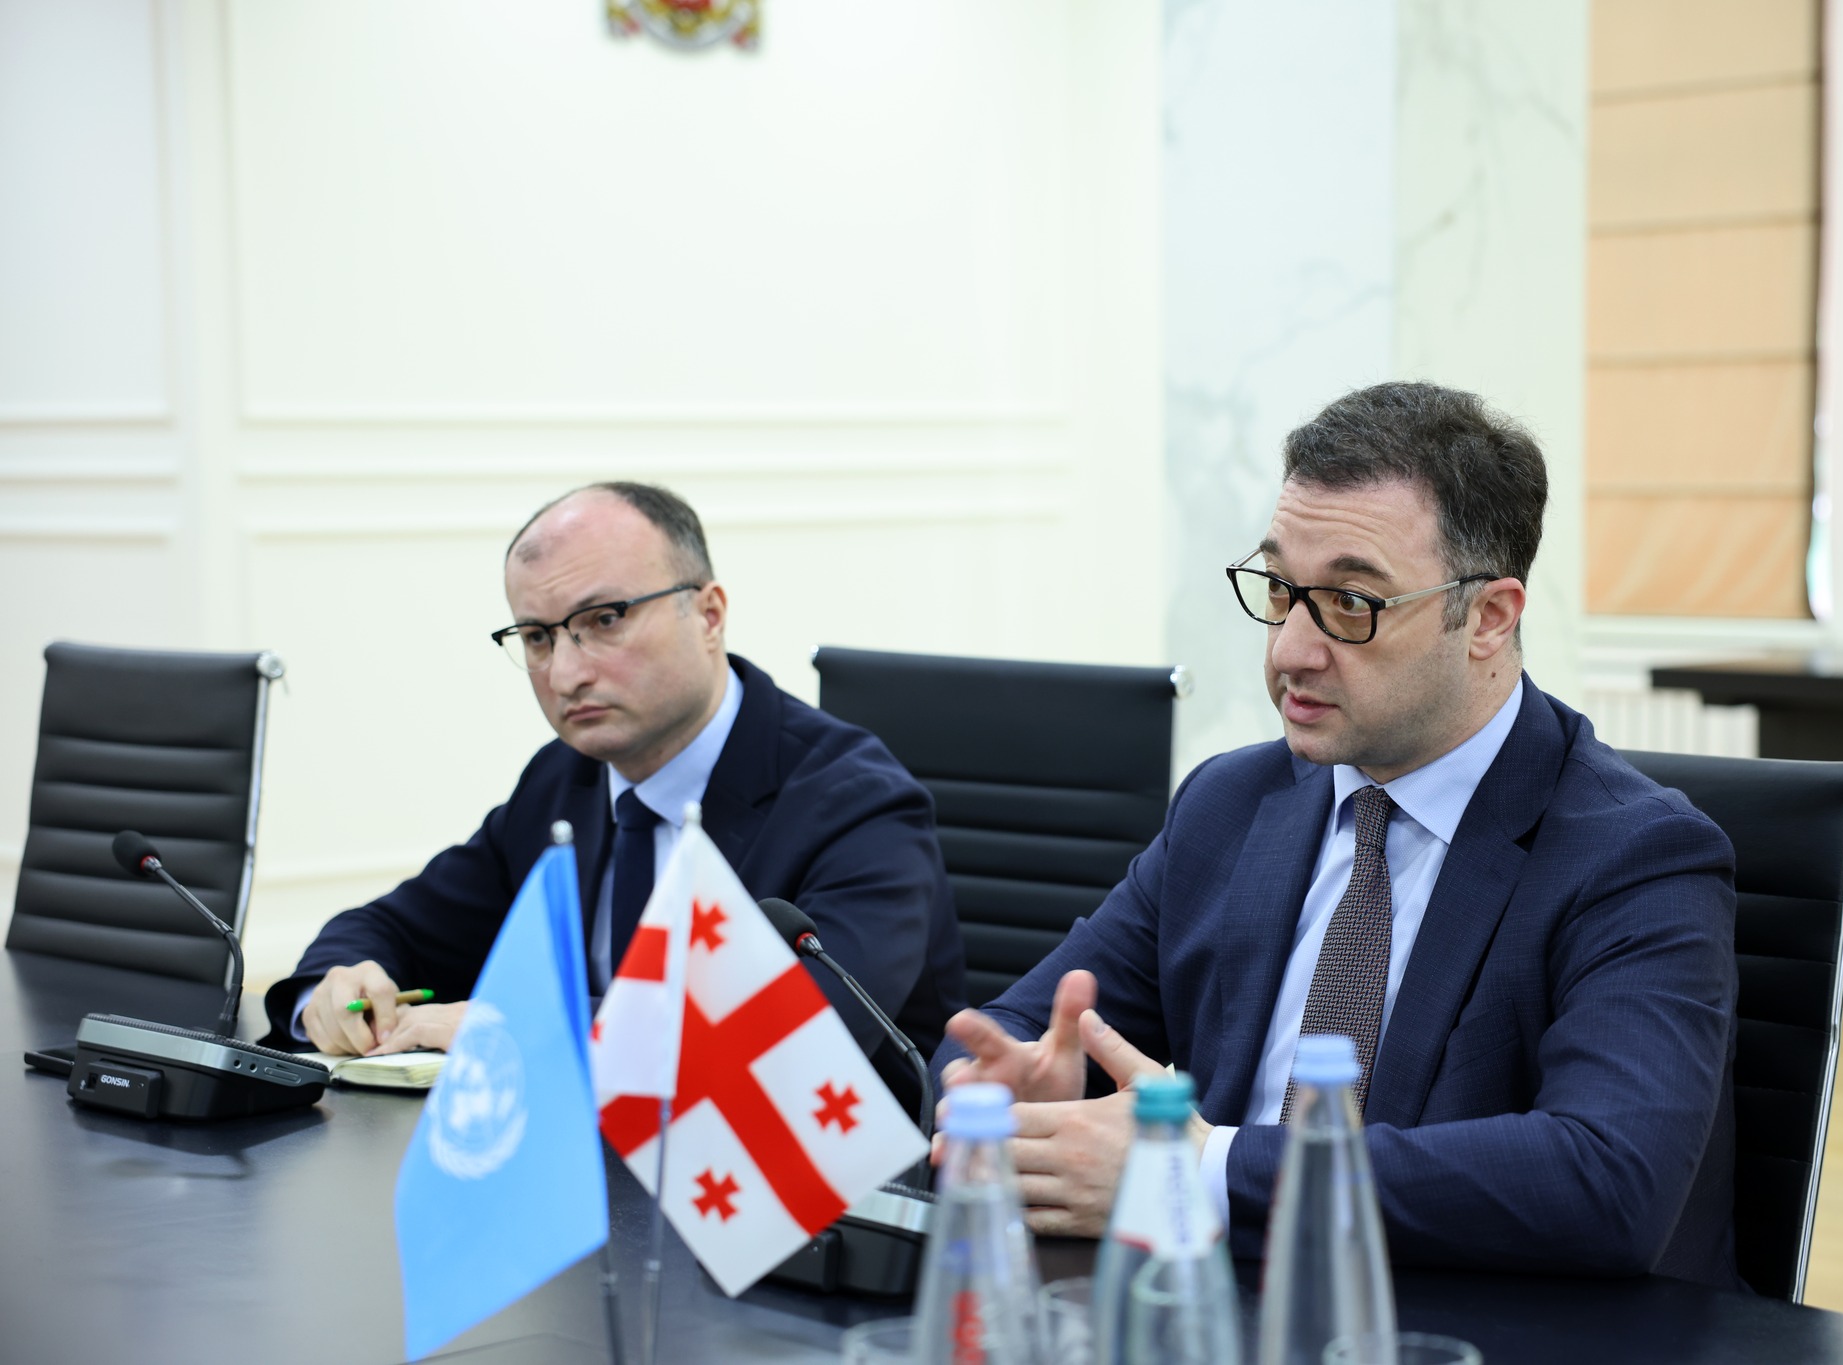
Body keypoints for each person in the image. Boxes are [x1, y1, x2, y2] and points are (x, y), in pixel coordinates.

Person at [933, 382, 1741, 1287]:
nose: (1290, 649)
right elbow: (1012, 1029)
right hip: (1224, 1314)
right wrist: (1020, 1091)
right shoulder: (1230, 803)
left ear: (1489, 617)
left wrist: (1204, 1170)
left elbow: (1608, 1178)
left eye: (1352, 602)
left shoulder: (1636, 857)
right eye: (1281, 589)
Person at [263, 482, 966, 1107]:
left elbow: (789, 1034)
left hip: (814, 1191)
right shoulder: (563, 780)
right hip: (590, 1167)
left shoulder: (856, 802)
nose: (566, 673)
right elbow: (394, 928)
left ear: (709, 614)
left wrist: (521, 1027)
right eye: (537, 637)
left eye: (604, 619)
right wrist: (334, 988)